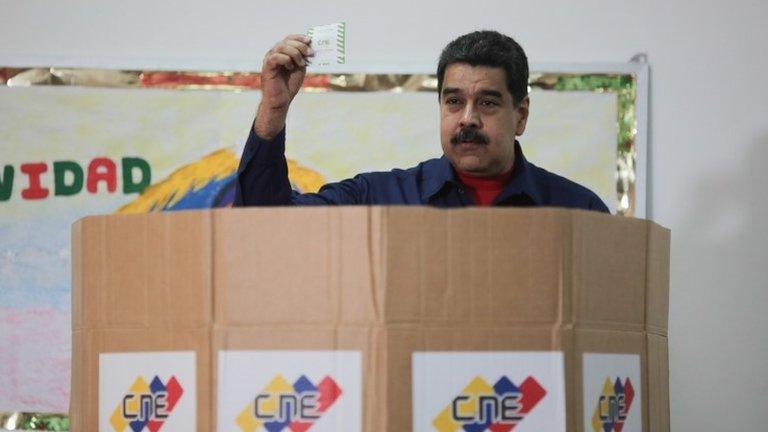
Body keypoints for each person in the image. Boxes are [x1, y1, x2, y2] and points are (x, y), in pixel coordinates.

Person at [234, 30, 609, 212]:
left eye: (488, 103)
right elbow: (269, 226)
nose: (468, 119)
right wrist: (274, 110)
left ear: (521, 115)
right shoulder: (380, 200)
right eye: (454, 101)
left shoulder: (577, 211)